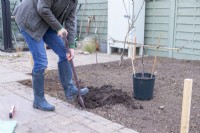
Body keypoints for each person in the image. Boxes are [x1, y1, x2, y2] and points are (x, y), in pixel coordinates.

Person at [13, 0, 89, 111]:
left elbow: (70, 21)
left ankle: (69, 88)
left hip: (46, 22)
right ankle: (38, 100)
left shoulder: (74, 1)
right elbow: (42, 8)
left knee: (65, 52)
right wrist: (58, 27)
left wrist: (71, 46)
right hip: (29, 19)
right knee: (41, 61)